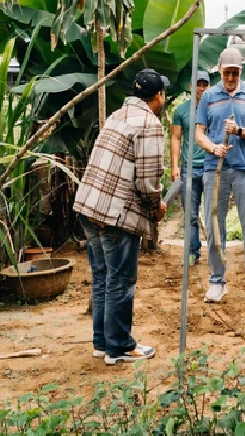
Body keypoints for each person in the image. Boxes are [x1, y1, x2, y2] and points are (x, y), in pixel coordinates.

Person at [73, 69, 169, 365]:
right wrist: (157, 207)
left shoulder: (117, 115)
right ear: (158, 96)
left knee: (103, 276)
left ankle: (102, 343)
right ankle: (119, 347)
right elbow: (148, 181)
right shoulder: (149, 124)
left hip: (89, 206)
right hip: (115, 213)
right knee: (121, 280)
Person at [195, 47, 245, 308]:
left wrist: (238, 131)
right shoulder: (209, 97)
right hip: (214, 169)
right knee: (215, 228)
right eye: (227, 72)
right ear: (219, 69)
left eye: (235, 72)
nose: (231, 77)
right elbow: (199, 133)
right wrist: (213, 147)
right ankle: (217, 281)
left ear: (240, 71)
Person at [171, 70, 210, 264]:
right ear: (191, 86)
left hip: (211, 167)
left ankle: (216, 252)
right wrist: (174, 166)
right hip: (189, 168)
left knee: (214, 213)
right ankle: (193, 251)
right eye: (198, 84)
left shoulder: (214, 108)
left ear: (209, 86)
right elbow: (176, 138)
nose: (201, 88)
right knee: (191, 215)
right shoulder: (181, 111)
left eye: (205, 84)